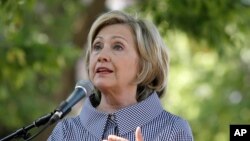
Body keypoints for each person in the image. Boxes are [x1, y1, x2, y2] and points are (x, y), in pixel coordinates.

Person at [48, 10, 193, 141]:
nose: (101, 56)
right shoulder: (65, 133)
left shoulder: (173, 130)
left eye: (118, 46)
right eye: (97, 46)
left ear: (144, 63)